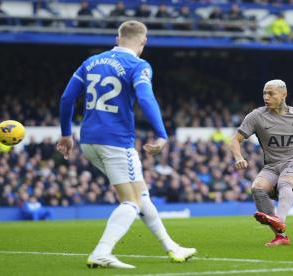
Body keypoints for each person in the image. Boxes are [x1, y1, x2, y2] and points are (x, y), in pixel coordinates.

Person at [57, 20, 196, 269]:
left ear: (117, 38)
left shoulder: (91, 62)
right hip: (116, 141)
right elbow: (145, 97)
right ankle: (102, 251)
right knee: (130, 201)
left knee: (141, 195)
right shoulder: (138, 65)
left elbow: (67, 97)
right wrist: (162, 134)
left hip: (88, 139)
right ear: (143, 42)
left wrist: (66, 133)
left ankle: (172, 247)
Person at [230, 79, 293, 247]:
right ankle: (281, 236)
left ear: (283, 95)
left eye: (271, 93)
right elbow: (235, 140)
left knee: (284, 183)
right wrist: (239, 157)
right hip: (272, 165)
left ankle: (279, 220)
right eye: (264, 93)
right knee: (257, 189)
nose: (266, 97)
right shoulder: (256, 116)